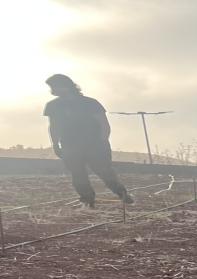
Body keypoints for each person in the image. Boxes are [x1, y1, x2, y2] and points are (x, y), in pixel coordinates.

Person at [43, 74, 133, 208]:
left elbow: (104, 124)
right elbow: (53, 126)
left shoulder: (90, 103)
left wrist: (102, 142)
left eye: (54, 86)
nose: (52, 90)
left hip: (94, 144)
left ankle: (122, 194)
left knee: (104, 171)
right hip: (70, 145)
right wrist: (55, 144)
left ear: (65, 86)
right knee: (78, 175)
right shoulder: (53, 106)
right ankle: (88, 200)